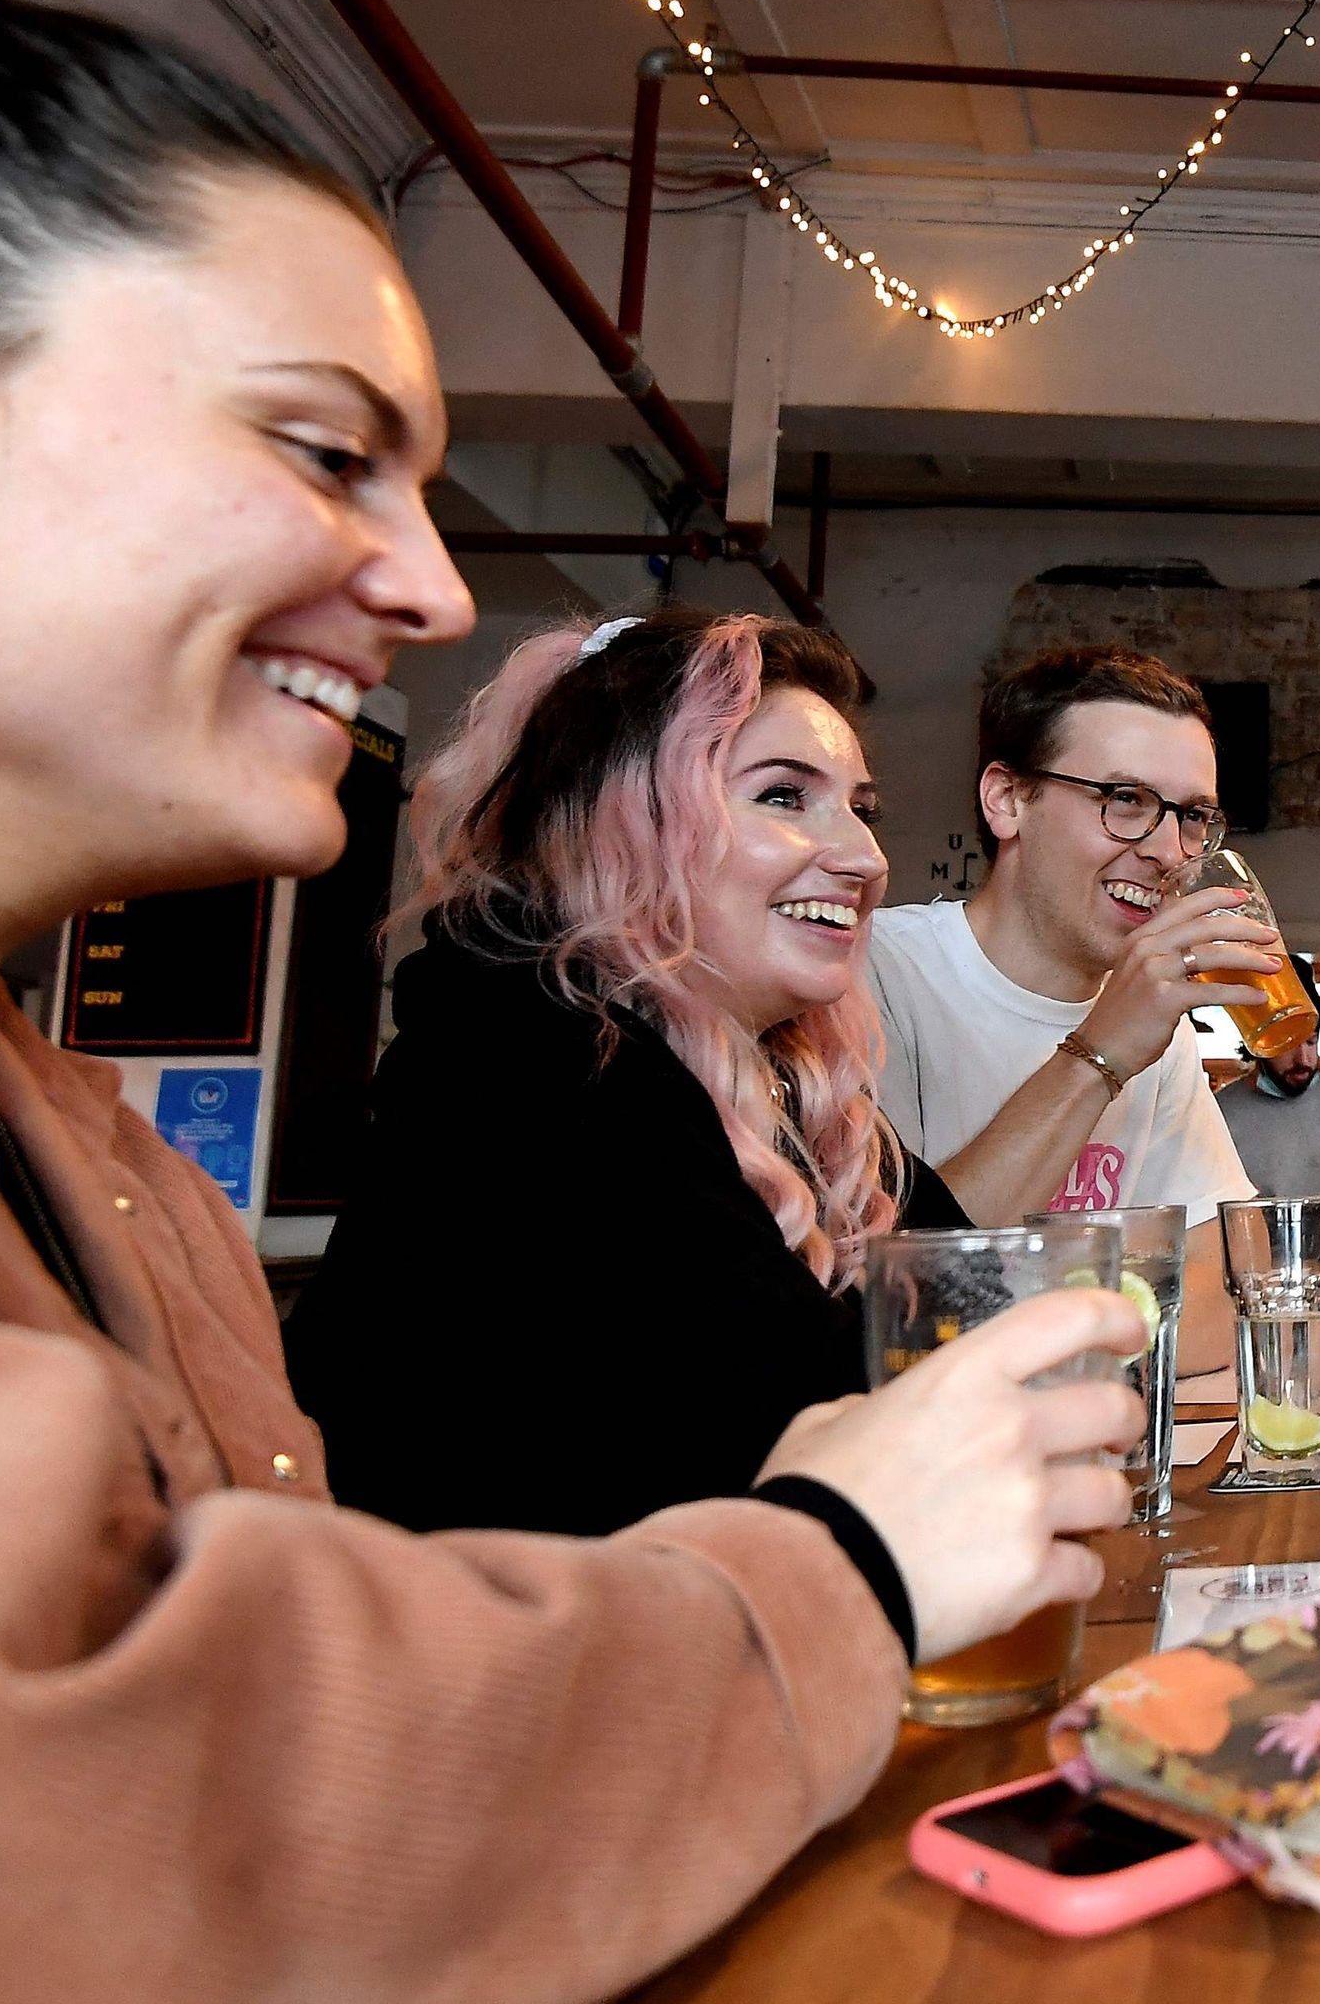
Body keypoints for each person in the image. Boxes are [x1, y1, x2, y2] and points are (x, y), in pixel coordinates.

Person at [0, 0, 1139, 2004]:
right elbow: (51, 1920)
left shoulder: (43, 1115)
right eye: (323, 451)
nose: (423, 586)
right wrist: (837, 1559)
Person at [284, 609, 953, 1536]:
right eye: (784, 796)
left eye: (860, 809)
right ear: (626, 823)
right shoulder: (535, 1071)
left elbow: (967, 1280)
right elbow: (813, 1422)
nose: (866, 859)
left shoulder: (779, 1076)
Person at [863, 645, 1268, 1317]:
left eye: (1193, 816)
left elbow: (1229, 1291)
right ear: (1007, 801)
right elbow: (896, 1294)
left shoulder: (1154, 1016)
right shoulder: (878, 970)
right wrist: (1101, 1053)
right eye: (1125, 799)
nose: (1169, 851)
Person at [1216, 961, 1320, 1200]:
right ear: (1259, 1045)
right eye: (1289, 1045)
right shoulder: (1220, 1114)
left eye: (1311, 1042)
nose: (1303, 1059)